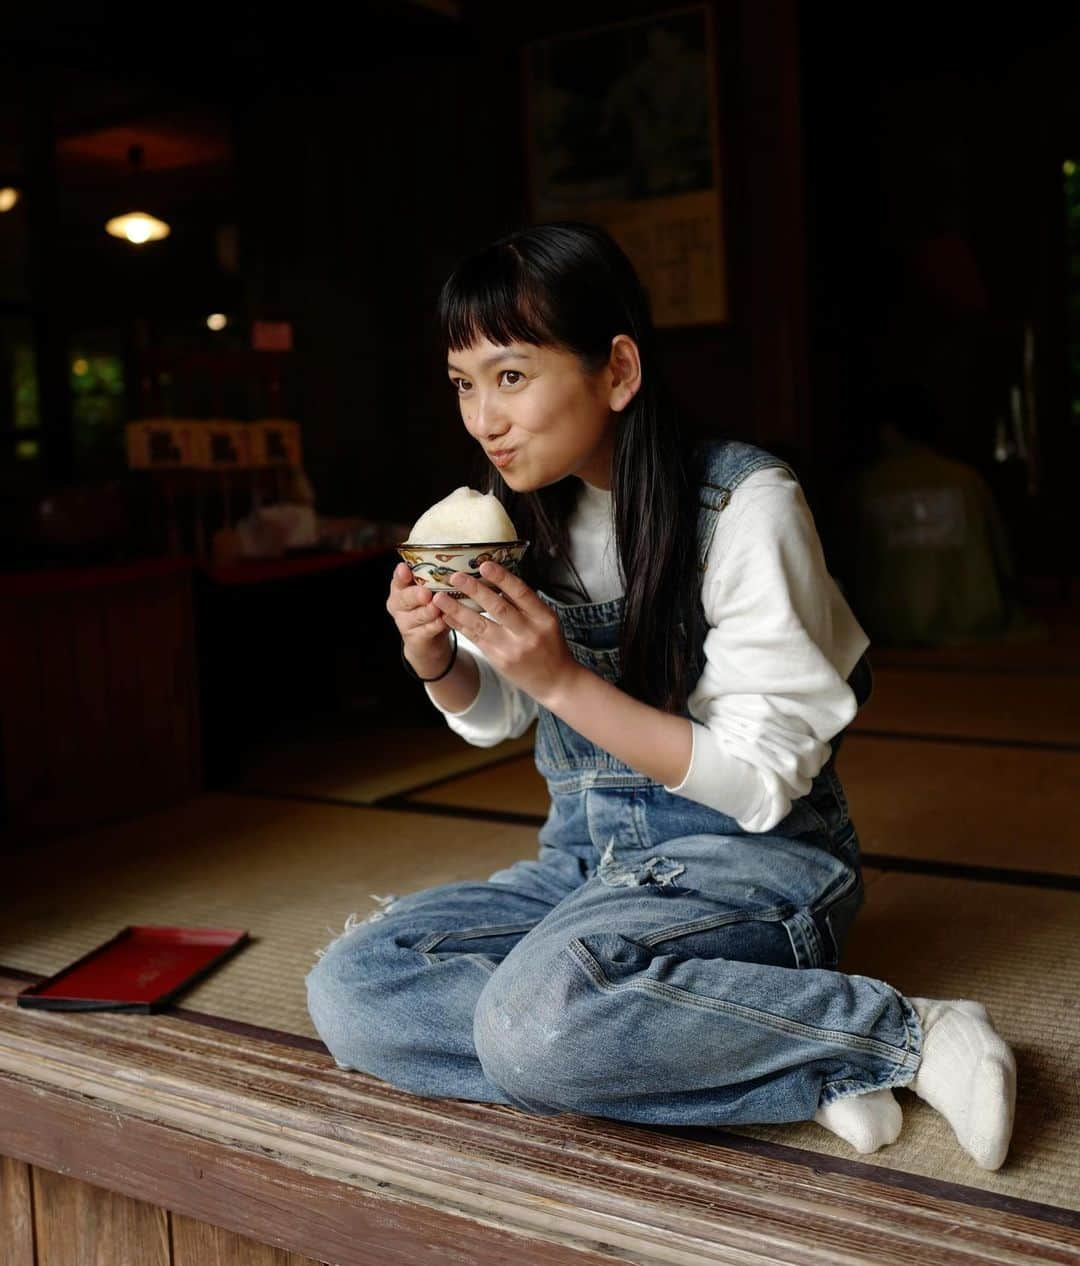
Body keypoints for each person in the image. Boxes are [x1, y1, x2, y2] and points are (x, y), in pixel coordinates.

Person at [305, 222, 1017, 1169]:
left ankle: (903, 1033)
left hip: (761, 868)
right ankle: (770, 1072)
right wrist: (436, 657)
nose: (484, 419)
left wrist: (561, 676)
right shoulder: (523, 512)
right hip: (589, 871)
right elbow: (499, 718)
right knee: (354, 986)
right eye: (464, 384)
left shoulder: (747, 505)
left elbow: (766, 785)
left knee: (535, 1018)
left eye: (511, 376)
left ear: (619, 370)